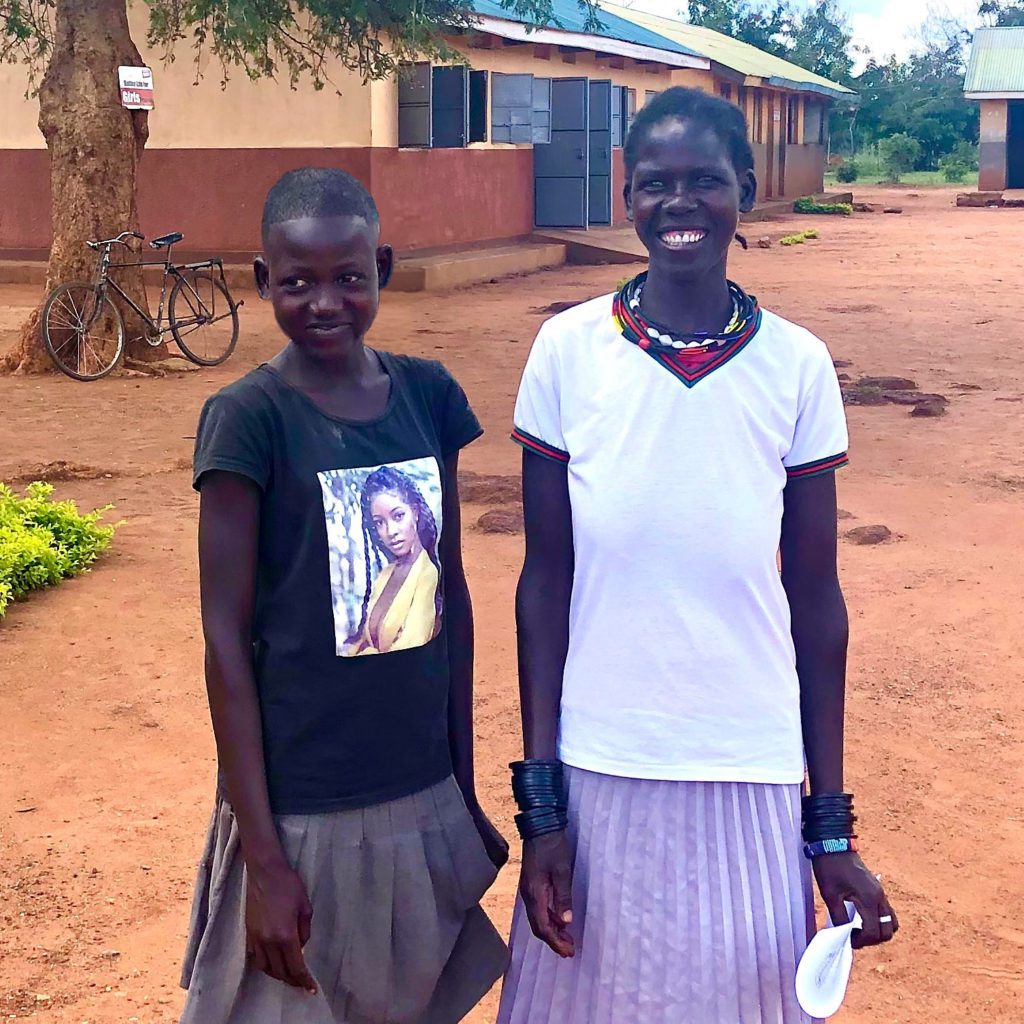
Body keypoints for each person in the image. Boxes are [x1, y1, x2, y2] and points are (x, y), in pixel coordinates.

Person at [497, 87, 899, 1024]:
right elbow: (543, 586)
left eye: (705, 181)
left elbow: (816, 602)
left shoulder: (797, 365)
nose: (679, 204)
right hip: (601, 767)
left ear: (745, 194)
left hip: (750, 766)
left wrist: (827, 826)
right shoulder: (566, 351)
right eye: (655, 183)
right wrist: (543, 810)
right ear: (625, 195)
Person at [179, 167, 509, 1024]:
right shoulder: (248, 419)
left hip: (419, 791)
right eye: (297, 282)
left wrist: (462, 791)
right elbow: (225, 639)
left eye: (348, 277)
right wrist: (264, 860)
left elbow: (452, 609)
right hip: (304, 811)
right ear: (262, 283)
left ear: (383, 269)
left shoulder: (430, 397)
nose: (324, 301)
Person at [344, 465, 443, 656]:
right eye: (379, 522)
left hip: (405, 677)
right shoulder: (386, 573)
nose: (390, 532)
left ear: (415, 512)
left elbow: (412, 643)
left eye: (398, 516)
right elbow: (364, 640)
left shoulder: (427, 574)